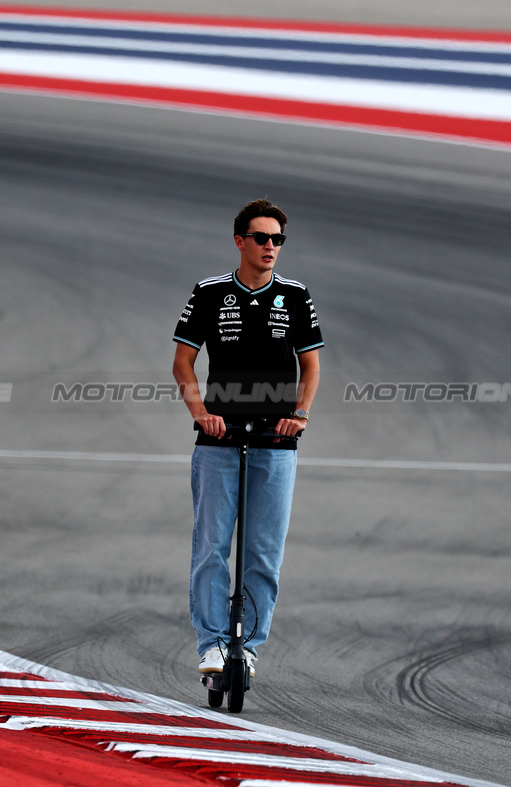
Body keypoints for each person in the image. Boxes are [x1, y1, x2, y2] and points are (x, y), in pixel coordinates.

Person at [171, 199, 322, 680]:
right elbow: (182, 362)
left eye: (278, 239)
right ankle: (213, 644)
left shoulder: (296, 296)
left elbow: (312, 366)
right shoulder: (211, 292)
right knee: (211, 545)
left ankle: (249, 647)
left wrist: (299, 415)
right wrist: (202, 413)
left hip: (276, 442)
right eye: (262, 238)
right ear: (240, 241)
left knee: (263, 552)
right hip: (219, 438)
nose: (271, 247)